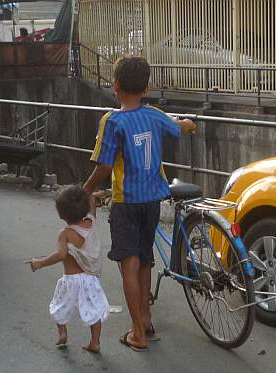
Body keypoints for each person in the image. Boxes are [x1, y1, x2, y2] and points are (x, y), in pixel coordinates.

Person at [83, 56, 196, 352]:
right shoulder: (155, 115)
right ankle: (145, 320)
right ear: (145, 87)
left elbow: (104, 167)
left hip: (126, 202)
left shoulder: (113, 121)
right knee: (145, 260)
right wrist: (188, 123)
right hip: (151, 202)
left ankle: (137, 334)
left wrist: (86, 189)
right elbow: (179, 127)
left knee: (128, 267)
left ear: (115, 87)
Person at [29, 185, 110, 353]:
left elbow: (60, 255)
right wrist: (89, 195)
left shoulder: (65, 233)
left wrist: (39, 263)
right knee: (94, 311)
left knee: (59, 306)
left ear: (61, 213)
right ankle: (95, 342)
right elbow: (91, 200)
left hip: (70, 280)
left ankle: (62, 332)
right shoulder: (91, 222)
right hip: (89, 279)